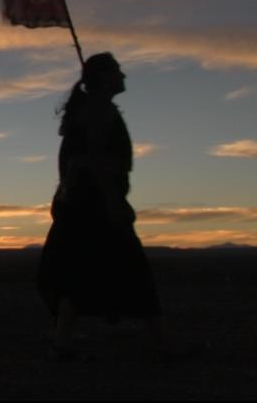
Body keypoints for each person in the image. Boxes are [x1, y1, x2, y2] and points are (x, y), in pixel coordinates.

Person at [37, 52, 179, 362]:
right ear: (104, 78)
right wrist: (113, 202)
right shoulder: (97, 112)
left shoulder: (92, 111)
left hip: (82, 205)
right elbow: (94, 162)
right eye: (118, 71)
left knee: (81, 272)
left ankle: (62, 340)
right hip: (96, 206)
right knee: (132, 271)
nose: (124, 77)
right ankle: (161, 342)